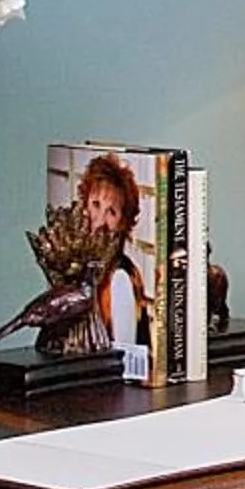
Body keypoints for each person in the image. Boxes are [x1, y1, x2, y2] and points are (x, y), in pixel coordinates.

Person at [72, 151, 148, 359]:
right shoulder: (82, 266)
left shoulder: (120, 278)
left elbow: (122, 360)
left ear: (123, 223)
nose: (99, 220)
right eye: (96, 204)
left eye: (112, 212)